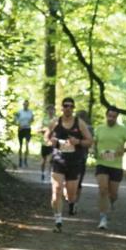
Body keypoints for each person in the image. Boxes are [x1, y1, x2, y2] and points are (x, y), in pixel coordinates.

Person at [44, 97, 92, 232]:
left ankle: (71, 203)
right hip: (58, 160)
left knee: (71, 194)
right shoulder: (55, 122)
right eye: (66, 105)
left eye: (71, 106)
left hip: (74, 161)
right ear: (62, 108)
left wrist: (78, 142)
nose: (68, 108)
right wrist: (51, 142)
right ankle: (58, 219)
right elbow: (46, 138)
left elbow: (89, 141)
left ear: (73, 108)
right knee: (57, 189)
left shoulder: (80, 123)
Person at [93, 106, 126, 230]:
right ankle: (103, 218)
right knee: (103, 189)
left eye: (114, 116)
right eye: (109, 116)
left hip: (116, 165)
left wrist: (125, 149)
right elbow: (94, 143)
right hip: (101, 163)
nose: (111, 118)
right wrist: (93, 150)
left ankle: (110, 203)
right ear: (106, 115)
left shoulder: (123, 130)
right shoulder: (99, 129)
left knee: (113, 194)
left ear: (117, 117)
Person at [68, 109, 92, 215]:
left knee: (76, 182)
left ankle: (73, 203)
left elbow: (90, 143)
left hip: (79, 157)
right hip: (72, 157)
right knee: (76, 182)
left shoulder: (89, 129)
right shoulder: (70, 127)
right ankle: (73, 202)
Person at [14, 100, 35, 168]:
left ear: (28, 105)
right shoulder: (19, 112)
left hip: (27, 129)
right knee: (20, 145)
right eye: (24, 104)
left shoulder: (30, 112)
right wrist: (19, 125)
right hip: (21, 129)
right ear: (23, 105)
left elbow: (32, 119)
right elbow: (15, 120)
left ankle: (25, 161)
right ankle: (20, 160)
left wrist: (31, 120)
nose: (26, 106)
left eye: (27, 104)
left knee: (26, 145)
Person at [38, 104, 56, 181]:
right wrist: (45, 130)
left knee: (51, 159)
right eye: (49, 110)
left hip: (52, 142)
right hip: (44, 142)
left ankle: (50, 175)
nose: (51, 111)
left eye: (52, 110)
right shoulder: (43, 119)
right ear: (47, 111)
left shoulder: (56, 119)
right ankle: (42, 173)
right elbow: (38, 130)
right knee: (43, 160)